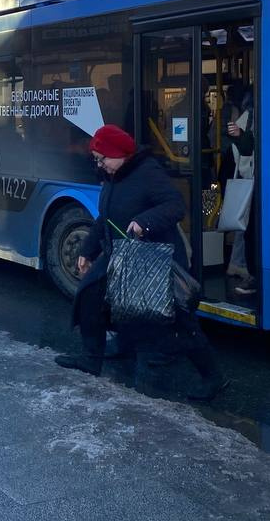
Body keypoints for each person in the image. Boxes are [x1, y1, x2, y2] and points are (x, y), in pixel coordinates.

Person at [54, 125, 227, 401]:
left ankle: (212, 377)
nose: (99, 165)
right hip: (119, 253)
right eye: (96, 159)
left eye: (103, 158)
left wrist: (143, 223)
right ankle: (91, 357)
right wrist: (87, 250)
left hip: (153, 258)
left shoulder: (148, 172)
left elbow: (175, 207)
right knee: (91, 296)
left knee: (178, 321)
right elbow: (105, 218)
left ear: (120, 154)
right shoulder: (113, 176)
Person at [225, 83, 256, 295]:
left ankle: (238, 263)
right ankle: (241, 264)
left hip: (252, 177)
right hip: (252, 178)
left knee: (244, 223)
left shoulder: (249, 115)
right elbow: (243, 150)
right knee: (246, 223)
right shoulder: (250, 117)